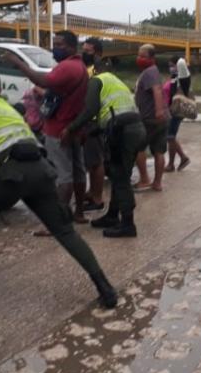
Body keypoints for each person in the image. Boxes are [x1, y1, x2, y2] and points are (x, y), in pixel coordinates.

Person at [0, 70, 118, 308]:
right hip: (42, 170)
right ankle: (104, 287)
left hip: (10, 174)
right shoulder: (10, 109)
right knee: (65, 232)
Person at [5, 30, 90, 230]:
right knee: (78, 172)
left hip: (59, 128)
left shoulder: (68, 66)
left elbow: (43, 81)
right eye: (54, 43)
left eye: (59, 44)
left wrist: (19, 63)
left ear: (71, 46)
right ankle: (78, 213)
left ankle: (58, 222)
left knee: (64, 175)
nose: (55, 48)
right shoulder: (79, 66)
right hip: (74, 127)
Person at [66, 61, 146, 238]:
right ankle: (112, 216)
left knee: (120, 177)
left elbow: (90, 110)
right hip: (135, 127)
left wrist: (71, 129)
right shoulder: (114, 80)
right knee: (120, 175)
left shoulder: (95, 81)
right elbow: (111, 112)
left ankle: (127, 224)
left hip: (121, 130)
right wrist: (94, 131)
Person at [133, 45, 169, 192]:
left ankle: (144, 179)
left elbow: (157, 91)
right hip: (159, 118)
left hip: (150, 118)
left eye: (143, 56)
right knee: (159, 150)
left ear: (151, 58)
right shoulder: (153, 71)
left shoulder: (149, 72)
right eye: (138, 55)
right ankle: (157, 183)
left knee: (138, 148)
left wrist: (159, 111)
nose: (139, 59)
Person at [80, 38, 107, 213]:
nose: (84, 53)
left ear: (97, 53)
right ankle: (92, 193)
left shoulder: (99, 70)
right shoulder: (90, 68)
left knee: (95, 161)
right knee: (91, 161)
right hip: (89, 120)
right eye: (83, 50)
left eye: (88, 51)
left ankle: (97, 198)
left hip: (94, 121)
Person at [164, 65, 192, 173]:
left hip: (174, 112)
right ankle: (171, 164)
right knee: (171, 137)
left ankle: (183, 157)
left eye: (172, 65)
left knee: (170, 137)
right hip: (173, 111)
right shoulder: (174, 79)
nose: (170, 67)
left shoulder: (180, 80)